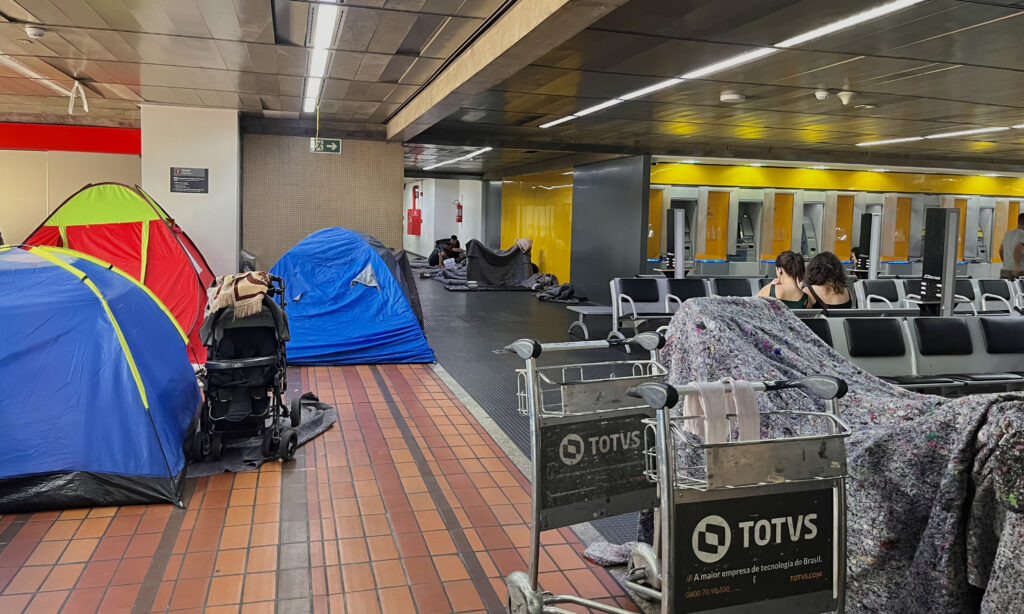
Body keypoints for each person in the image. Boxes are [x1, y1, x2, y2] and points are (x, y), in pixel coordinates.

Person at [998, 213, 1024, 280]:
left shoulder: (1008, 233)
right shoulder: (1023, 234)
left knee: (1006, 289)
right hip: (1020, 271)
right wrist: (1017, 266)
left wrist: (1006, 263)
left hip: (1005, 270)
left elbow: (1001, 250)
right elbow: (1018, 249)